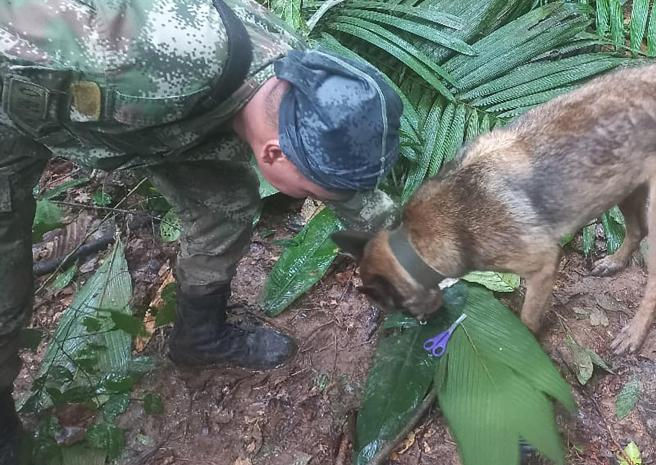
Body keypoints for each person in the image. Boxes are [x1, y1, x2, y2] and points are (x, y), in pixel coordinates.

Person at [0, 0, 403, 462]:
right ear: (272, 154)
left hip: (156, 120)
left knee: (224, 207)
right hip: (17, 94)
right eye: (318, 192)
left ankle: (200, 337)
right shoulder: (124, 54)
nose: (327, 200)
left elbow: (345, 186)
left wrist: (407, 257)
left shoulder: (298, 82)